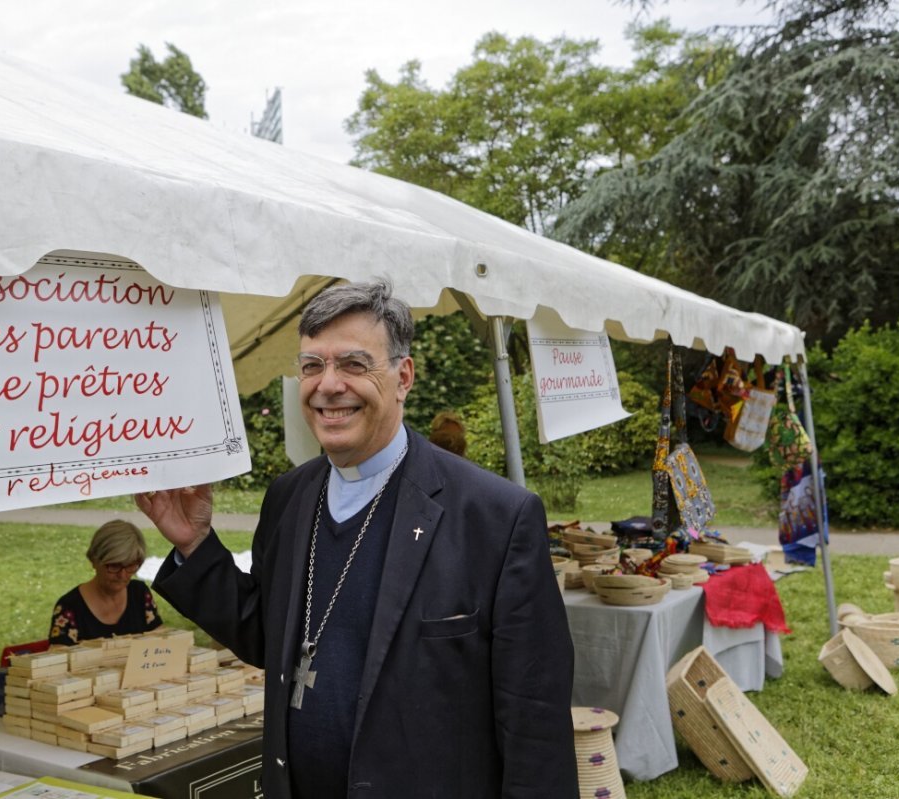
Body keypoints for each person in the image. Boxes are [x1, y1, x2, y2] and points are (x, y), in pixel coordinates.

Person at [135, 280, 577, 798]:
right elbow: (271, 635)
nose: (328, 385)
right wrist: (195, 545)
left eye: (352, 364)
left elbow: (535, 721)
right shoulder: (289, 496)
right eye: (311, 366)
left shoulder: (496, 517)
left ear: (402, 376)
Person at [48, 520, 162, 645]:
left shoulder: (139, 593)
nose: (122, 575)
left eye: (130, 566)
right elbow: (57, 657)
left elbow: (160, 642)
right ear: (94, 560)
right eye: (114, 566)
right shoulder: (69, 607)